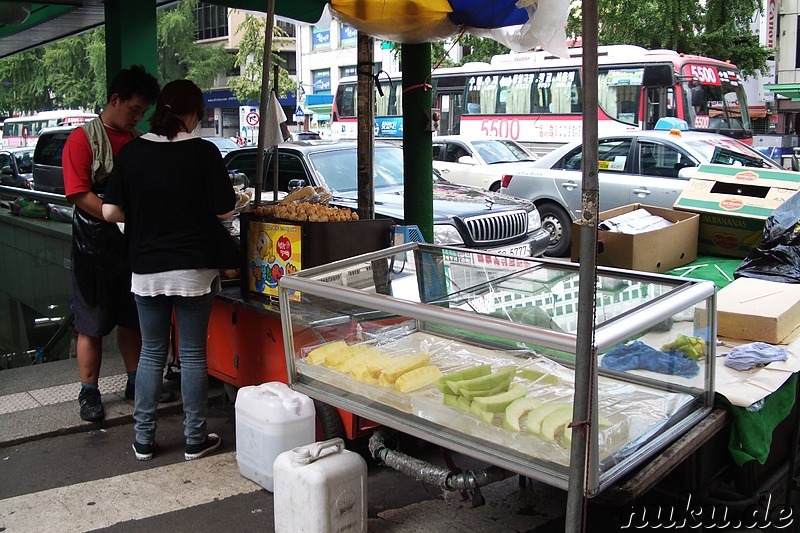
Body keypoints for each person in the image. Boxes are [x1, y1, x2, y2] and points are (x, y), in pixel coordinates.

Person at [102, 79, 236, 461]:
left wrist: (145, 215)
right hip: (194, 268)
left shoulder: (132, 153)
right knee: (193, 355)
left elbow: (110, 212)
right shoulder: (204, 152)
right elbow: (225, 210)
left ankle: (143, 439)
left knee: (151, 354)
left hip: (146, 270)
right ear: (192, 113)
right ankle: (195, 439)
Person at [63, 65, 166, 422]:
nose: (137, 117)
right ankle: (88, 392)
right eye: (134, 109)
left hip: (131, 244)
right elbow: (78, 193)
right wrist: (119, 216)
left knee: (132, 316)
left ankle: (136, 381)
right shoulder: (83, 139)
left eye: (142, 113)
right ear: (115, 99)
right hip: (93, 245)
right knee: (91, 321)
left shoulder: (137, 141)